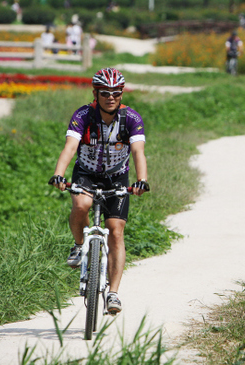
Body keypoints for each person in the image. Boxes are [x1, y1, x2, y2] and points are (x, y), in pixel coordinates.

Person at [49, 67, 149, 315]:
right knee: (81, 205)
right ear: (96, 93)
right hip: (87, 174)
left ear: (122, 93)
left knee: (115, 231)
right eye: (105, 92)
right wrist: (59, 174)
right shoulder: (84, 115)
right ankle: (78, 244)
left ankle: (113, 294)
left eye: (116, 92)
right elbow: (70, 146)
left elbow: (138, 152)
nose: (111, 97)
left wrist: (142, 180)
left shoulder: (131, 119)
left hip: (117, 178)